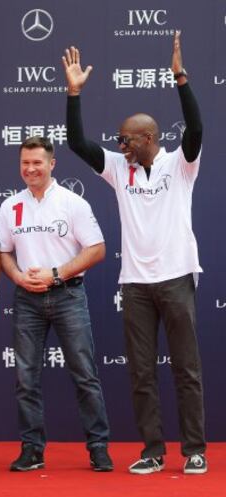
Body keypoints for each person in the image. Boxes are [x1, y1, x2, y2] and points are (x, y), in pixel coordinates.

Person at [62, 32, 207, 475]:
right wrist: (74, 94)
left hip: (177, 276)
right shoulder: (118, 169)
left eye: (127, 139)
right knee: (142, 373)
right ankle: (153, 451)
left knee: (186, 369)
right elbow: (77, 144)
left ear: (147, 138)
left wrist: (180, 77)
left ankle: (194, 450)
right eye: (120, 140)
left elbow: (196, 129)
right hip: (136, 284)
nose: (120, 145)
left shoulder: (179, 165)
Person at [0, 136, 113, 472]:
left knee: (84, 374)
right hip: (26, 299)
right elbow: (4, 252)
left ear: (52, 164)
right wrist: (18, 277)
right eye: (25, 163)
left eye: (37, 163)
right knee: (25, 377)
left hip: (67, 296)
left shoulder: (72, 203)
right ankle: (32, 449)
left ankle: (98, 447)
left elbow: (97, 249)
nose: (31, 169)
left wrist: (56, 274)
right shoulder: (10, 206)